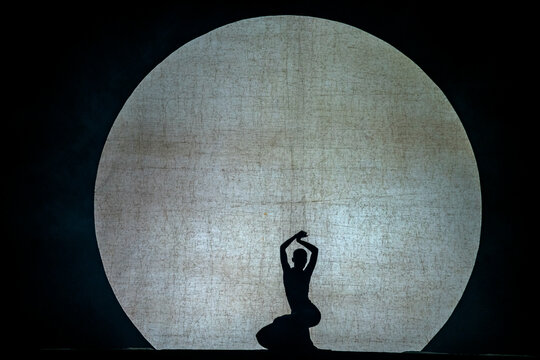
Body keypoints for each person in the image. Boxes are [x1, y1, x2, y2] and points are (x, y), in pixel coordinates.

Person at [256, 231, 321, 352]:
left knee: (291, 320)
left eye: (304, 259)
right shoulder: (288, 273)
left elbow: (315, 251)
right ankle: (301, 346)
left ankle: (308, 346)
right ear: (293, 259)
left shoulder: (306, 274)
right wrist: (295, 237)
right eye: (300, 258)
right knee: (264, 333)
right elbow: (282, 248)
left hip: (311, 313)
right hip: (298, 315)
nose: (303, 261)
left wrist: (300, 241)